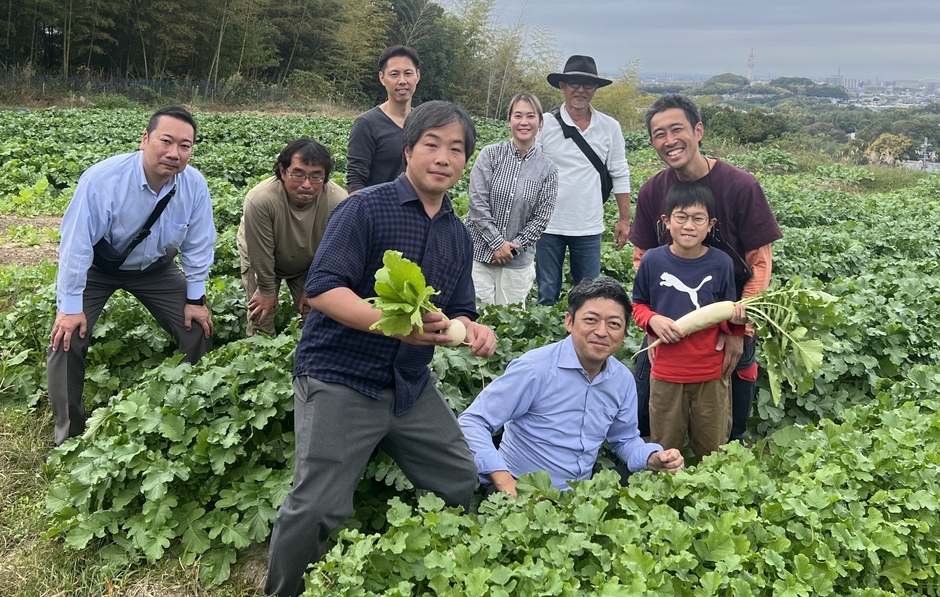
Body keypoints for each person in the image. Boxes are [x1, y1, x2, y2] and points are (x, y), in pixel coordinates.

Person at [264, 101, 497, 597]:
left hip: (410, 385)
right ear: (409, 150)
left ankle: (453, 574)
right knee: (318, 505)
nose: (443, 157)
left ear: (464, 162)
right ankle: (282, 591)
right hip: (340, 376)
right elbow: (323, 289)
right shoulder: (364, 207)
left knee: (459, 478)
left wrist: (472, 329)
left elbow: (460, 307)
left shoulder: (458, 235)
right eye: (431, 144)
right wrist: (393, 327)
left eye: (456, 149)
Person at [48, 106, 215, 446]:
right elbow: (76, 246)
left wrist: (196, 299)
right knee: (67, 339)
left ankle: (190, 413)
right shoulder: (102, 181)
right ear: (144, 140)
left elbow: (199, 244)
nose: (174, 153)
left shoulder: (194, 185)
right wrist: (69, 307)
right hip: (99, 267)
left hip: (156, 269)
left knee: (198, 327)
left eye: (185, 145)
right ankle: (68, 437)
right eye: (166, 141)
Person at [627, 94, 783, 442]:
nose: (669, 141)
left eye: (677, 129)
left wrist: (737, 329)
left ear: (698, 131)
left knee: (727, 425)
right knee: (648, 419)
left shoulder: (741, 186)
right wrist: (652, 321)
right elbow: (642, 259)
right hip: (666, 329)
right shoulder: (653, 191)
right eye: (659, 134)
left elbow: (759, 263)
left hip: (730, 324)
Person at [458, 277, 684, 497]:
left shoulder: (622, 379)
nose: (602, 332)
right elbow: (473, 421)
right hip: (520, 490)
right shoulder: (535, 368)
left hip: (578, 495)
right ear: (569, 322)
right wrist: (504, 480)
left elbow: (624, 439)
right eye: (590, 320)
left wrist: (651, 456)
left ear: (625, 333)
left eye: (614, 324)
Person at [632, 183, 747, 460]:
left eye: (698, 218)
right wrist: (653, 320)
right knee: (664, 450)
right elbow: (637, 305)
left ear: (711, 225)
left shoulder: (721, 263)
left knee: (713, 451)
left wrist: (738, 323)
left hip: (710, 373)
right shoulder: (652, 260)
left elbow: (725, 315)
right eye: (681, 217)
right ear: (667, 221)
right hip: (666, 374)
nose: (689, 226)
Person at [534, 54, 632, 306]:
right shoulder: (543, 123)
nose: (580, 90)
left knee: (588, 296)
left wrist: (624, 218)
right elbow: (529, 170)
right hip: (547, 225)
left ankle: (582, 343)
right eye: (574, 83)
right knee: (546, 294)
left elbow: (619, 172)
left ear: (595, 89)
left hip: (588, 225)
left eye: (587, 84)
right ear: (562, 86)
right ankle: (551, 342)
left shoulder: (610, 127)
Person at [236, 139, 347, 336]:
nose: (306, 184)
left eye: (316, 177)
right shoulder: (261, 200)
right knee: (261, 313)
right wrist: (267, 291)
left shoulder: (338, 202)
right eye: (298, 174)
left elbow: (334, 253)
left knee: (318, 314)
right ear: (282, 170)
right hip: (261, 257)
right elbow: (260, 254)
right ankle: (262, 353)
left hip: (310, 261)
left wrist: (316, 285)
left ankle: (311, 360)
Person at [465, 92, 558, 306]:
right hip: (480, 256)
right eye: (518, 116)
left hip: (517, 263)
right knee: (477, 321)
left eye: (530, 116)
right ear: (509, 121)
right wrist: (497, 244)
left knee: (510, 321)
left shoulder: (548, 169)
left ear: (540, 123)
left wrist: (512, 248)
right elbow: (477, 204)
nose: (524, 122)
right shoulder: (490, 155)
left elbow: (541, 218)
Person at [346, 45, 421, 193]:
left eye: (408, 73)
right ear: (382, 78)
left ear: (417, 76)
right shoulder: (367, 124)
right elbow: (356, 182)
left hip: (417, 211)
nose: (402, 81)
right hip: (379, 210)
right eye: (394, 74)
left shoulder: (424, 122)